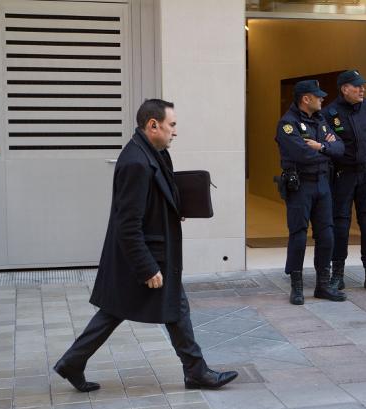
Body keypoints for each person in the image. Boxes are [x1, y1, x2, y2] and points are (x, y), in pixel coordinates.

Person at [53, 99, 238, 392]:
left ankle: (73, 362)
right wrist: (147, 266)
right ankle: (196, 372)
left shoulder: (152, 153)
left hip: (153, 249)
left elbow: (154, 198)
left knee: (123, 310)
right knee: (164, 309)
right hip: (148, 254)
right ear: (153, 125)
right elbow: (127, 223)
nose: (175, 131)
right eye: (172, 125)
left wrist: (174, 209)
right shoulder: (136, 162)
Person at [275, 80, 347, 305]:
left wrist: (321, 147)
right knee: (298, 234)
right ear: (306, 98)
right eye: (318, 96)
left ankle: (323, 286)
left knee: (326, 234)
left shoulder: (321, 120)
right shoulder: (288, 124)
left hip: (322, 184)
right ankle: (296, 287)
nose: (322, 99)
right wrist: (325, 151)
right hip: (300, 186)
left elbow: (340, 148)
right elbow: (302, 154)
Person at [323, 70, 366, 294]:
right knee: (340, 225)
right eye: (357, 86)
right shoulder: (329, 113)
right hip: (343, 175)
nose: (362, 89)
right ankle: (337, 274)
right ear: (344, 89)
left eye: (363, 86)